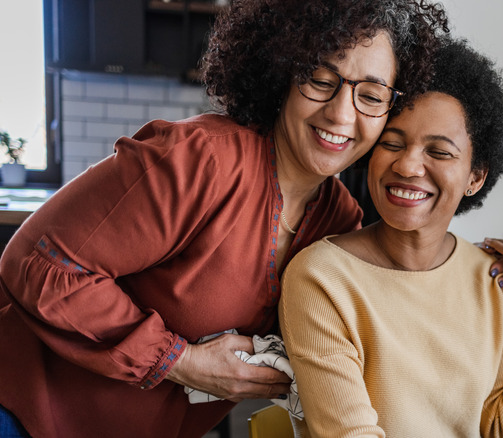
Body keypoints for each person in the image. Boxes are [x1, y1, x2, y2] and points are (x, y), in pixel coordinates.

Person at [0, 1, 451, 436]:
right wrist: (181, 361)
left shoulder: (338, 222)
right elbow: (38, 263)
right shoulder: (200, 161)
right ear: (283, 73)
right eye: (319, 78)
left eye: (370, 95)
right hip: (22, 411)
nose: (340, 113)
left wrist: (471, 277)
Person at [279, 38, 503, 437]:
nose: (408, 165)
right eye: (392, 143)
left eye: (439, 152)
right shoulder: (322, 279)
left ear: (476, 176)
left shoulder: (486, 277)